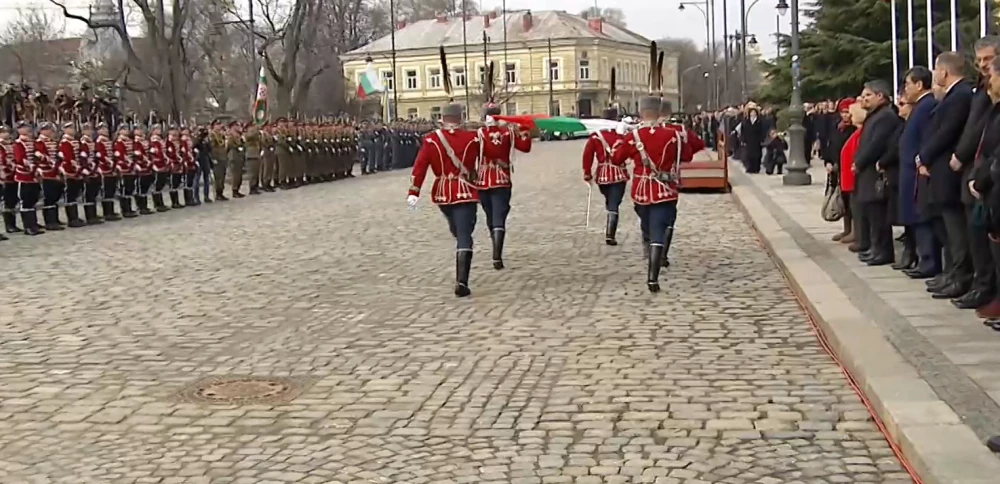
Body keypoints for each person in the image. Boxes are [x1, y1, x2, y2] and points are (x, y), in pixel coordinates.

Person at [406, 102, 482, 298]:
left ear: (442, 117)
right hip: (465, 190)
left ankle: (461, 260)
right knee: (464, 233)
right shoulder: (472, 138)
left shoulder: (431, 140)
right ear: (461, 117)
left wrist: (414, 192)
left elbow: (420, 166)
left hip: (442, 192)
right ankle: (461, 281)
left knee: (458, 230)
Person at [611, 95, 682, 293]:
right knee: (659, 227)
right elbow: (687, 154)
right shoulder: (673, 135)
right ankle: (652, 278)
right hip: (665, 189)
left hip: (642, 191)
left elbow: (617, 158)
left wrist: (619, 140)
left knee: (649, 226)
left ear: (641, 112)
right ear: (660, 112)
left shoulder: (633, 136)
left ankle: (649, 246)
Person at [921, 52, 974, 299]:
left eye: (935, 69)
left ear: (944, 71)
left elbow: (947, 132)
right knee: (948, 227)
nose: (934, 74)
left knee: (956, 230)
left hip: (949, 171)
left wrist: (925, 156)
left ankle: (961, 276)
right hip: (941, 170)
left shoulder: (960, 95)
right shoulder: (953, 95)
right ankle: (953, 272)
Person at [952, 37, 1000, 312]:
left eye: (988, 59)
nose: (983, 65)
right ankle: (982, 286)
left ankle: (987, 288)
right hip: (978, 172)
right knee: (978, 236)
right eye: (979, 60)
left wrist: (961, 156)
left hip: (986, 173)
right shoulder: (980, 91)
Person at [476, 103, 532, 270]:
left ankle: (495, 247)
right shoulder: (508, 132)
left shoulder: (480, 133)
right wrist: (524, 130)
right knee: (499, 215)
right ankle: (497, 256)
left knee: (490, 216)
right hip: (501, 178)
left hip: (483, 180)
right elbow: (525, 147)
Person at [853, 80, 902, 266]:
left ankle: (883, 250)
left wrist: (859, 162)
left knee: (878, 214)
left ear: (880, 96)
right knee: (871, 213)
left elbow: (876, 144)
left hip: (875, 171)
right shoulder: (874, 116)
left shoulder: (886, 116)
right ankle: (875, 248)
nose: (863, 99)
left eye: (868, 95)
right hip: (868, 171)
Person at [898, 67, 938, 276]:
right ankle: (922, 258)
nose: (906, 89)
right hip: (910, 170)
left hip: (917, 171)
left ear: (919, 84)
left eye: (908, 84)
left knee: (922, 217)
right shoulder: (920, 106)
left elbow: (927, 136)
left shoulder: (927, 105)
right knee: (915, 217)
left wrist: (921, 160)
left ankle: (928, 262)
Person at [582, 106, 627, 246]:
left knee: (609, 200)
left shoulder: (595, 136)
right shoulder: (621, 134)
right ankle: (610, 233)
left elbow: (587, 155)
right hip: (618, 173)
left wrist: (587, 172)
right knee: (614, 203)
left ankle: (610, 217)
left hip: (602, 175)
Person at [825, 98, 859, 243]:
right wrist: (828, 161)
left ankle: (854, 231)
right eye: (843, 112)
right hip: (836, 168)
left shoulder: (854, 128)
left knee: (852, 200)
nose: (845, 115)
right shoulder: (836, 126)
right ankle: (846, 229)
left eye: (847, 112)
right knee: (842, 199)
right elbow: (830, 144)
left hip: (848, 168)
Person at [13, 122, 42, 235]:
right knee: (25, 200)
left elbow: (35, 156)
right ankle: (28, 226)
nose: (26, 129)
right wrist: (30, 166)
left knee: (33, 199)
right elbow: (20, 158)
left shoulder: (32, 143)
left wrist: (37, 165)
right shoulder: (18, 144)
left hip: (33, 174)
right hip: (24, 174)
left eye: (26, 127)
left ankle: (33, 224)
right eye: (22, 128)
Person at [57, 122, 86, 228]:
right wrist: (75, 166)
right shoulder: (64, 142)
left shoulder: (75, 141)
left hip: (76, 171)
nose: (72, 130)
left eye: (73, 128)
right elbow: (67, 157)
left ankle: (75, 216)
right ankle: (72, 218)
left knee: (74, 195)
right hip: (69, 171)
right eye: (69, 128)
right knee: (70, 195)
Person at [37, 123, 64, 231]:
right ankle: (49, 221)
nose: (51, 132)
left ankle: (55, 219)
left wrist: (57, 166)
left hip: (55, 172)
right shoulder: (39, 143)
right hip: (46, 172)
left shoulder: (53, 142)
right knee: (49, 197)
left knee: (55, 195)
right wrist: (52, 164)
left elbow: (56, 155)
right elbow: (41, 157)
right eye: (47, 130)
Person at [739, 107, 765, 173]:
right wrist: (743, 139)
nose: (753, 114)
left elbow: (762, 131)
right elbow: (743, 131)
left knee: (757, 156)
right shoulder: (746, 121)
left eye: (754, 112)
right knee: (748, 155)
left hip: (756, 140)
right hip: (748, 140)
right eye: (751, 112)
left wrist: (762, 139)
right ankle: (749, 168)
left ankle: (756, 168)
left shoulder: (759, 121)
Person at [0, 125, 16, 236]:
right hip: (4, 175)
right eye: (3, 132)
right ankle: (9, 225)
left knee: (12, 200)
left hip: (13, 175)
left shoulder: (10, 144)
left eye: (7, 131)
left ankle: (13, 224)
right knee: (6, 201)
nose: (6, 134)